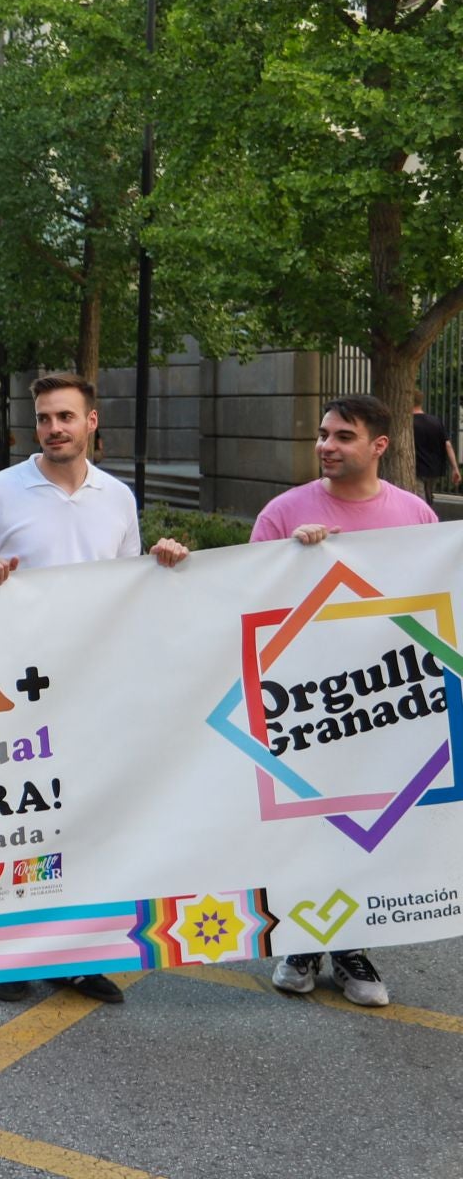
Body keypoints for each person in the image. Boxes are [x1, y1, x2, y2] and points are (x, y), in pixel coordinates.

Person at [0, 373, 189, 1006]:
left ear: (91, 422)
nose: (54, 428)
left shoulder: (117, 497)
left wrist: (162, 563)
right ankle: (10, 953)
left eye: (65, 417)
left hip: (92, 682)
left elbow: (129, 582)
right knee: (20, 820)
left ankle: (78, 954)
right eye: (44, 418)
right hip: (14, 687)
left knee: (82, 819)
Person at [251, 395, 436, 1007]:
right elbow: (244, 600)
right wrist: (291, 565)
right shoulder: (284, 512)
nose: (326, 445)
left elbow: (434, 605)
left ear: (379, 446)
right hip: (305, 703)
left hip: (384, 700)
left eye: (343, 436)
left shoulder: (414, 515)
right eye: (324, 434)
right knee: (311, 824)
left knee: (371, 827)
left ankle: (350, 947)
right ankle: (306, 942)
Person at [410, 390, 459, 503]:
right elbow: (447, 445)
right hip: (434, 468)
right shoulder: (435, 421)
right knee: (428, 495)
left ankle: (426, 519)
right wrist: (455, 468)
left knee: (420, 500)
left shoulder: (408, 423)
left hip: (417, 468)